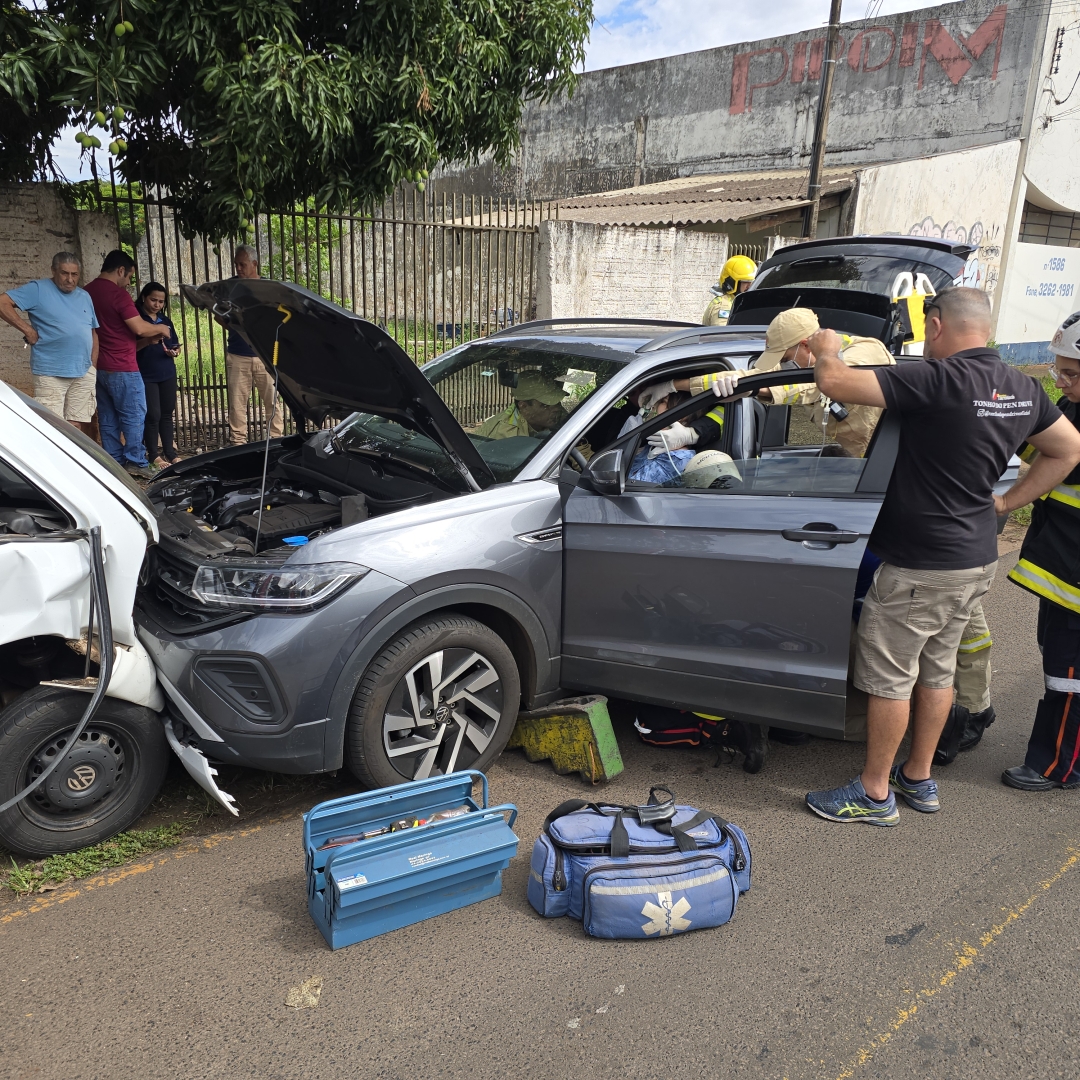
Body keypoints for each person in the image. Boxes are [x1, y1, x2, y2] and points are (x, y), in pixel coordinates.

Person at [801, 286, 1080, 826]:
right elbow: (1068, 448)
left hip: (919, 564)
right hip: (975, 557)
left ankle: (875, 793)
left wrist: (829, 344)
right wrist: (1005, 501)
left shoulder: (936, 379)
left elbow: (832, 382)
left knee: (891, 679)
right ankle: (919, 777)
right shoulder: (1021, 387)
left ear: (935, 325)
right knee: (937, 672)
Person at [638, 307, 894, 458]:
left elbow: (813, 384)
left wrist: (679, 389)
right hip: (861, 462)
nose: (782, 367)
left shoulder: (865, 353)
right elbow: (747, 380)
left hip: (888, 460)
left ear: (804, 345)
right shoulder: (801, 360)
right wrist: (678, 390)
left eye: (783, 359)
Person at [1002, 311, 1080, 791]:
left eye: (1070, 373)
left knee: (1067, 679)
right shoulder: (1074, 409)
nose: (1061, 380)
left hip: (1075, 582)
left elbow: (1058, 461)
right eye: (1058, 370)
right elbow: (1041, 449)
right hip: (1064, 574)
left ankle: (1057, 767)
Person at [84, 250, 168, 478]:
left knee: (108, 417)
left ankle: (114, 462)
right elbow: (139, 327)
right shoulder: (118, 295)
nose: (129, 282)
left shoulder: (87, 292)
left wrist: (146, 341)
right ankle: (136, 462)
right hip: (123, 367)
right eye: (129, 277)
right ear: (121, 271)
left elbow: (113, 332)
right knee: (133, 416)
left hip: (99, 365)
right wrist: (161, 328)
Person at [0, 252, 99, 434]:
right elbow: (2, 303)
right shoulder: (38, 289)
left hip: (83, 371)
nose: (70, 279)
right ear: (53, 271)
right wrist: (28, 330)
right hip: (51, 372)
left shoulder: (84, 296)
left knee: (76, 426)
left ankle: (71, 461)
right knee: (52, 428)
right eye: (64, 273)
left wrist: (92, 366)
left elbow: (92, 332)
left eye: (74, 274)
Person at [225, 245, 284, 445]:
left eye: (242, 264)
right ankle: (237, 443)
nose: (238, 269)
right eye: (236, 264)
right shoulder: (229, 287)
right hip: (237, 353)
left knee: (273, 402)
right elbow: (218, 313)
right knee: (237, 404)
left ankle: (275, 442)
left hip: (265, 354)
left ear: (254, 264)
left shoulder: (269, 287)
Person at [136, 281, 182, 469]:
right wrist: (148, 340)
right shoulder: (137, 320)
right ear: (144, 298)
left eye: (161, 301)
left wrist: (175, 352)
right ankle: (153, 454)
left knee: (167, 413)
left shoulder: (165, 320)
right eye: (153, 300)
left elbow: (174, 344)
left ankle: (170, 453)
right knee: (152, 414)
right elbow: (132, 347)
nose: (157, 304)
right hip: (146, 373)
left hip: (167, 371)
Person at [470, 372, 567, 439]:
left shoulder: (557, 415)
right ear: (524, 406)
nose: (556, 408)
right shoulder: (505, 434)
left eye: (557, 402)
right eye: (546, 405)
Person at [702, 255, 757, 326]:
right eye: (745, 281)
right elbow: (723, 334)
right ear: (732, 282)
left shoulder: (738, 302)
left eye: (752, 282)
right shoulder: (723, 306)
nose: (750, 286)